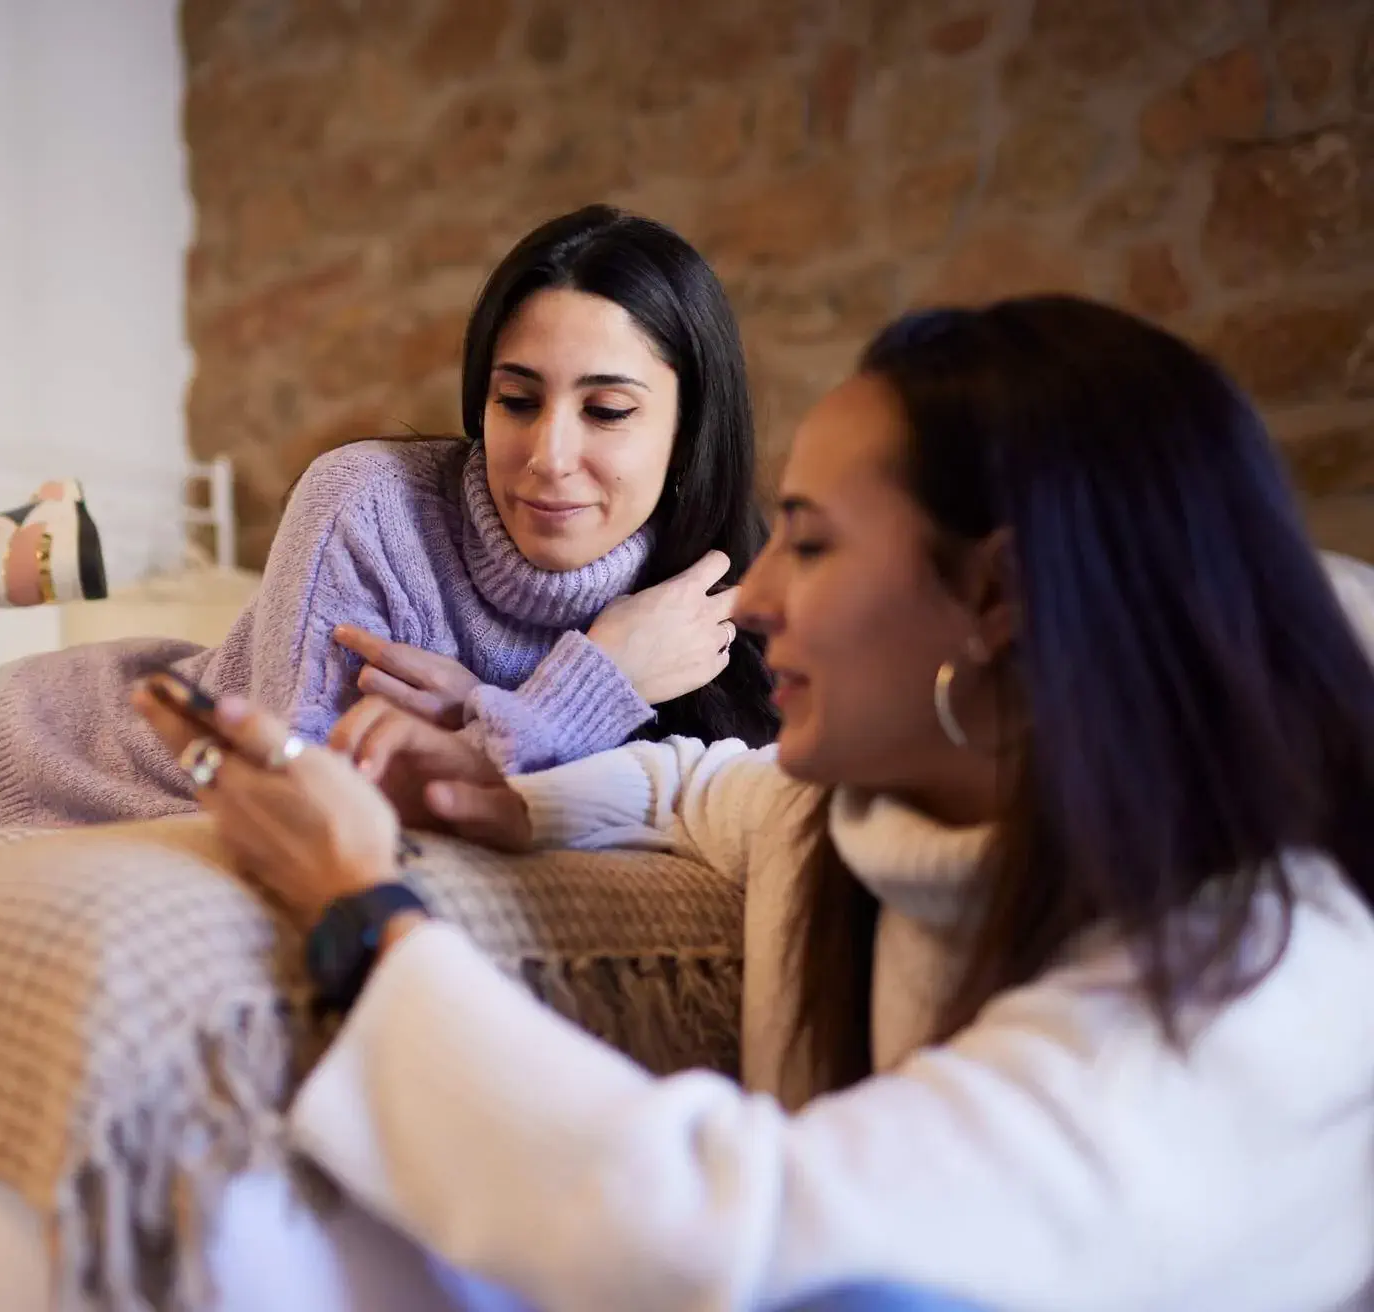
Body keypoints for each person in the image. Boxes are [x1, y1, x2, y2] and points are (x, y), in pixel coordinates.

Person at [135, 296, 1374, 1311]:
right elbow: (703, 782)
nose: (756, 597)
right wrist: (515, 802)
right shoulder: (847, 820)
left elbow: (738, 1243)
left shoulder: (1247, 988)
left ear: (996, 600)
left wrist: (361, 905)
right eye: (517, 398)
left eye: (813, 544)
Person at [0, 204, 779, 872]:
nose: (548, 454)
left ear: (690, 428)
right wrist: (592, 682)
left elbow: (709, 809)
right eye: (517, 399)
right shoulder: (369, 504)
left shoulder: (710, 616)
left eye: (608, 410)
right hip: (52, 749)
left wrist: (495, 706)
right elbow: (289, 797)